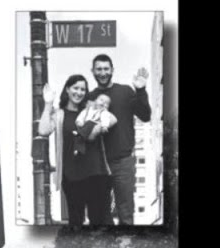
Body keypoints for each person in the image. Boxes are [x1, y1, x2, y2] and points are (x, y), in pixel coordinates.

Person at [38, 75, 112, 226]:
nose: (79, 92)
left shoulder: (91, 110)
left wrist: (100, 127)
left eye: (83, 89)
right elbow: (43, 130)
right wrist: (48, 103)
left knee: (99, 222)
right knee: (76, 222)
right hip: (72, 176)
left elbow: (110, 118)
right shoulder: (59, 114)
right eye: (75, 88)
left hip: (95, 174)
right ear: (67, 89)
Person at [90, 54, 152, 226]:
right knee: (101, 214)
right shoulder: (89, 97)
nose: (103, 73)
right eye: (99, 69)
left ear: (112, 70)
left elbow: (145, 116)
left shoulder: (125, 91)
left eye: (106, 69)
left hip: (123, 162)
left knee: (126, 213)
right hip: (98, 164)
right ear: (93, 72)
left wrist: (140, 90)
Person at [73, 92, 116, 158]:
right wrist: (79, 121)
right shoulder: (88, 109)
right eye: (101, 100)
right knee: (80, 139)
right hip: (85, 126)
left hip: (94, 124)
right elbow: (82, 114)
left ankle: (79, 134)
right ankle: (78, 150)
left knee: (88, 125)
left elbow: (105, 119)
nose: (103, 103)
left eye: (106, 103)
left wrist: (104, 126)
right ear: (95, 100)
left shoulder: (104, 112)